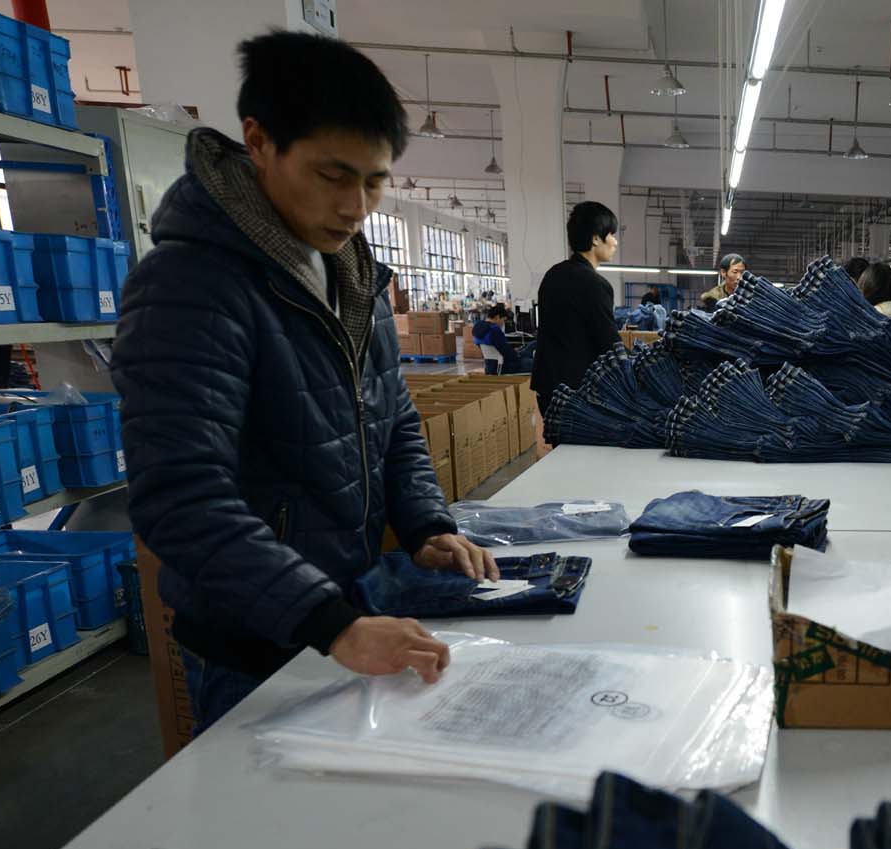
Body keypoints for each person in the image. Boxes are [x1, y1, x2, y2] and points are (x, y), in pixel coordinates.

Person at [113, 31, 497, 734]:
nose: (357, 206)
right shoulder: (189, 288)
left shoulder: (351, 273)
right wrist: (328, 621)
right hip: (254, 645)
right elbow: (180, 497)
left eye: (375, 181)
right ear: (259, 142)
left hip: (348, 615)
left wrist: (426, 525)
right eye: (333, 175)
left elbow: (393, 419)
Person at [530, 201, 621, 398]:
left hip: (547, 385)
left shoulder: (553, 274)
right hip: (577, 391)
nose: (615, 242)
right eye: (611, 235)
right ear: (595, 239)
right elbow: (609, 345)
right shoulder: (595, 284)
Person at [471, 303, 524, 374]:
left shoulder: (478, 329)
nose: (503, 323)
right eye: (503, 320)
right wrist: (517, 354)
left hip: (490, 366)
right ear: (497, 317)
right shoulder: (494, 330)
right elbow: (509, 354)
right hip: (506, 366)